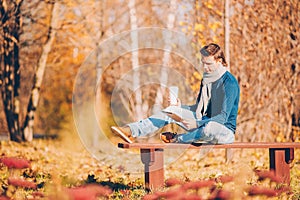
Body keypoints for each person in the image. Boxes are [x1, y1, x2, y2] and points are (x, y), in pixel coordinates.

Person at [111, 43, 240, 144]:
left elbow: (223, 117)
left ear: (219, 61)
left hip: (223, 130)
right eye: (203, 63)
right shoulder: (207, 79)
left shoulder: (229, 83)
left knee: (209, 128)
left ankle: (178, 139)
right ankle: (130, 131)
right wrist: (180, 107)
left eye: (209, 64)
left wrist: (197, 124)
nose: (205, 68)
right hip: (204, 121)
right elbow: (199, 109)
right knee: (171, 111)